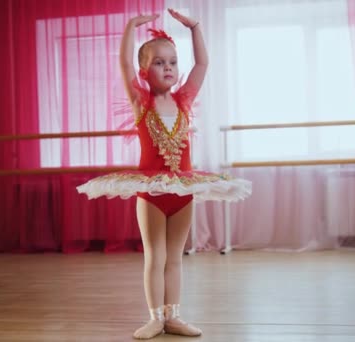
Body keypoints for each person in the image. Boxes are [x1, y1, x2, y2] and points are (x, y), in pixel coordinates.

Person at [77, 8, 251, 340]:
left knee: (176, 259)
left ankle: (174, 316)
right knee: (155, 257)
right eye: (159, 62)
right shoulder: (141, 103)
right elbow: (124, 65)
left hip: (183, 191)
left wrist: (195, 26)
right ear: (145, 71)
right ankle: (154, 317)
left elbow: (202, 65)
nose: (168, 67)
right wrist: (130, 27)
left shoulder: (184, 99)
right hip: (151, 194)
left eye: (172, 61)